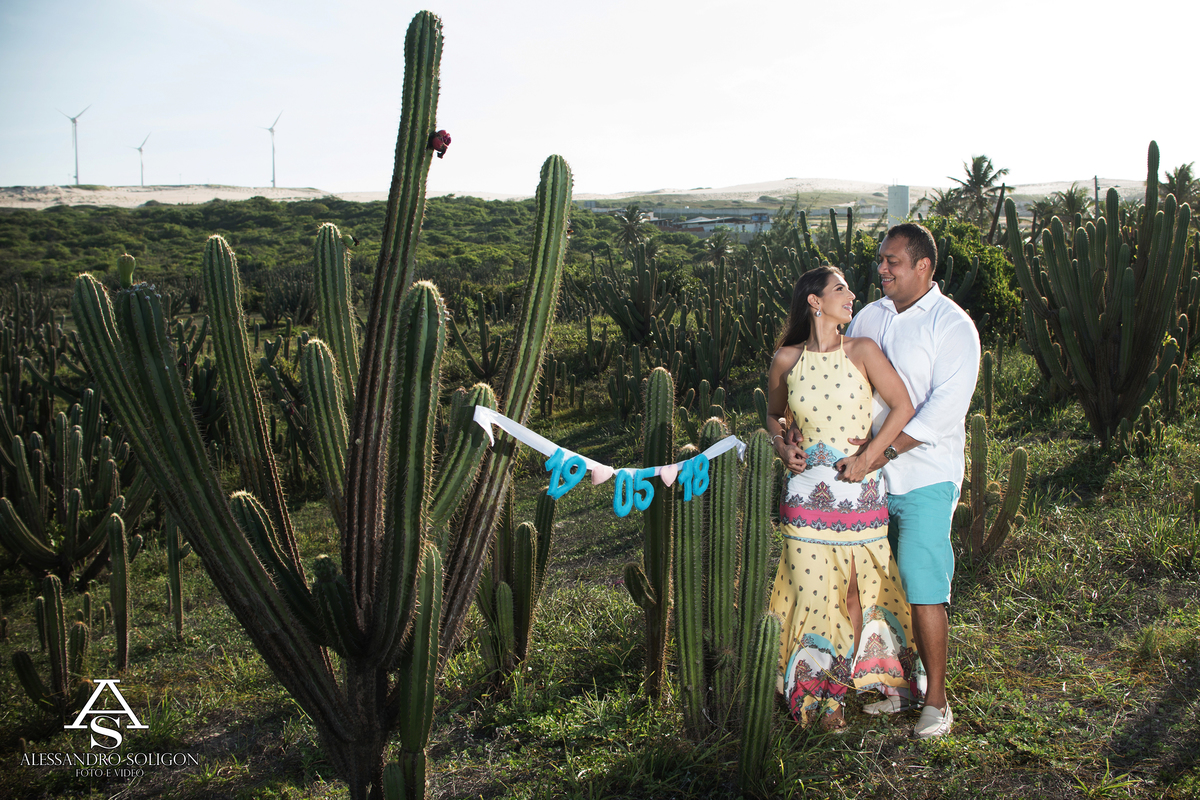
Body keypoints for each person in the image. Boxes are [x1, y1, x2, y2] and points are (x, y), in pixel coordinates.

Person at [835, 222, 981, 739]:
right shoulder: (870, 316)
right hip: (868, 480)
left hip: (924, 477)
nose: (882, 269)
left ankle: (937, 702)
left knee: (922, 586)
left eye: (893, 261)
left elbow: (944, 409)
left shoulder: (953, 325)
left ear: (923, 266)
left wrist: (883, 451)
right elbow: (839, 380)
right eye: (881, 259)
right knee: (877, 588)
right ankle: (897, 686)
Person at [764, 265, 924, 731]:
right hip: (804, 500)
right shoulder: (786, 360)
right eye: (840, 289)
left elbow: (904, 406)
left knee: (858, 590)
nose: (851, 295)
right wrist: (782, 446)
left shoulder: (863, 351)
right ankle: (819, 702)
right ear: (814, 301)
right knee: (811, 592)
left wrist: (871, 457)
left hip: (859, 493)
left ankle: (871, 682)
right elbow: (773, 416)